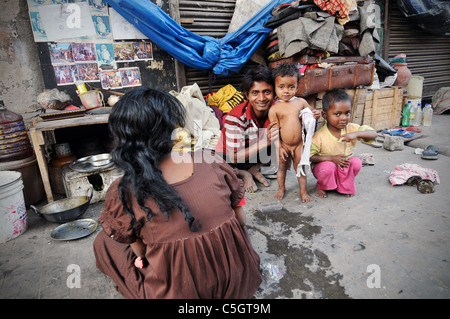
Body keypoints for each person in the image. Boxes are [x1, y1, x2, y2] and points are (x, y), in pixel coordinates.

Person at [93, 87, 262, 299]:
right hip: (240, 280)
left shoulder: (124, 191)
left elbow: (141, 254)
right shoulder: (211, 160)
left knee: (105, 242)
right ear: (174, 127)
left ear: (124, 137)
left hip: (181, 293)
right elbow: (241, 220)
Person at [215, 65, 280, 193]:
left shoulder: (278, 108)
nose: (261, 99)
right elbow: (233, 157)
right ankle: (242, 173)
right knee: (213, 166)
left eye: (267, 92)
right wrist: (264, 142)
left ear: (274, 93)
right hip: (233, 157)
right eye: (255, 93)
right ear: (247, 95)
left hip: (258, 155)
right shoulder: (235, 117)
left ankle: (255, 168)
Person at [310, 89, 377, 198]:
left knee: (356, 162)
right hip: (324, 167)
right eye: (337, 114)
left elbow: (373, 134)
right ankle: (322, 185)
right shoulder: (319, 136)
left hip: (343, 166)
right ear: (324, 114)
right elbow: (311, 157)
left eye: (347, 113)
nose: (343, 118)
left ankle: (343, 185)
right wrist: (331, 158)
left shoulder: (351, 128)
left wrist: (355, 135)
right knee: (328, 167)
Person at [268, 63, 321, 202]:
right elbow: (274, 130)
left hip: (299, 144)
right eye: (281, 87)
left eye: (291, 87)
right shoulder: (274, 109)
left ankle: (303, 191)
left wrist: (316, 114)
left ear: (297, 87)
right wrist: (278, 147)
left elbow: (311, 113)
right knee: (281, 168)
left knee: (300, 168)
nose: (286, 91)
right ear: (275, 88)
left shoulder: (301, 102)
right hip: (283, 145)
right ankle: (281, 189)